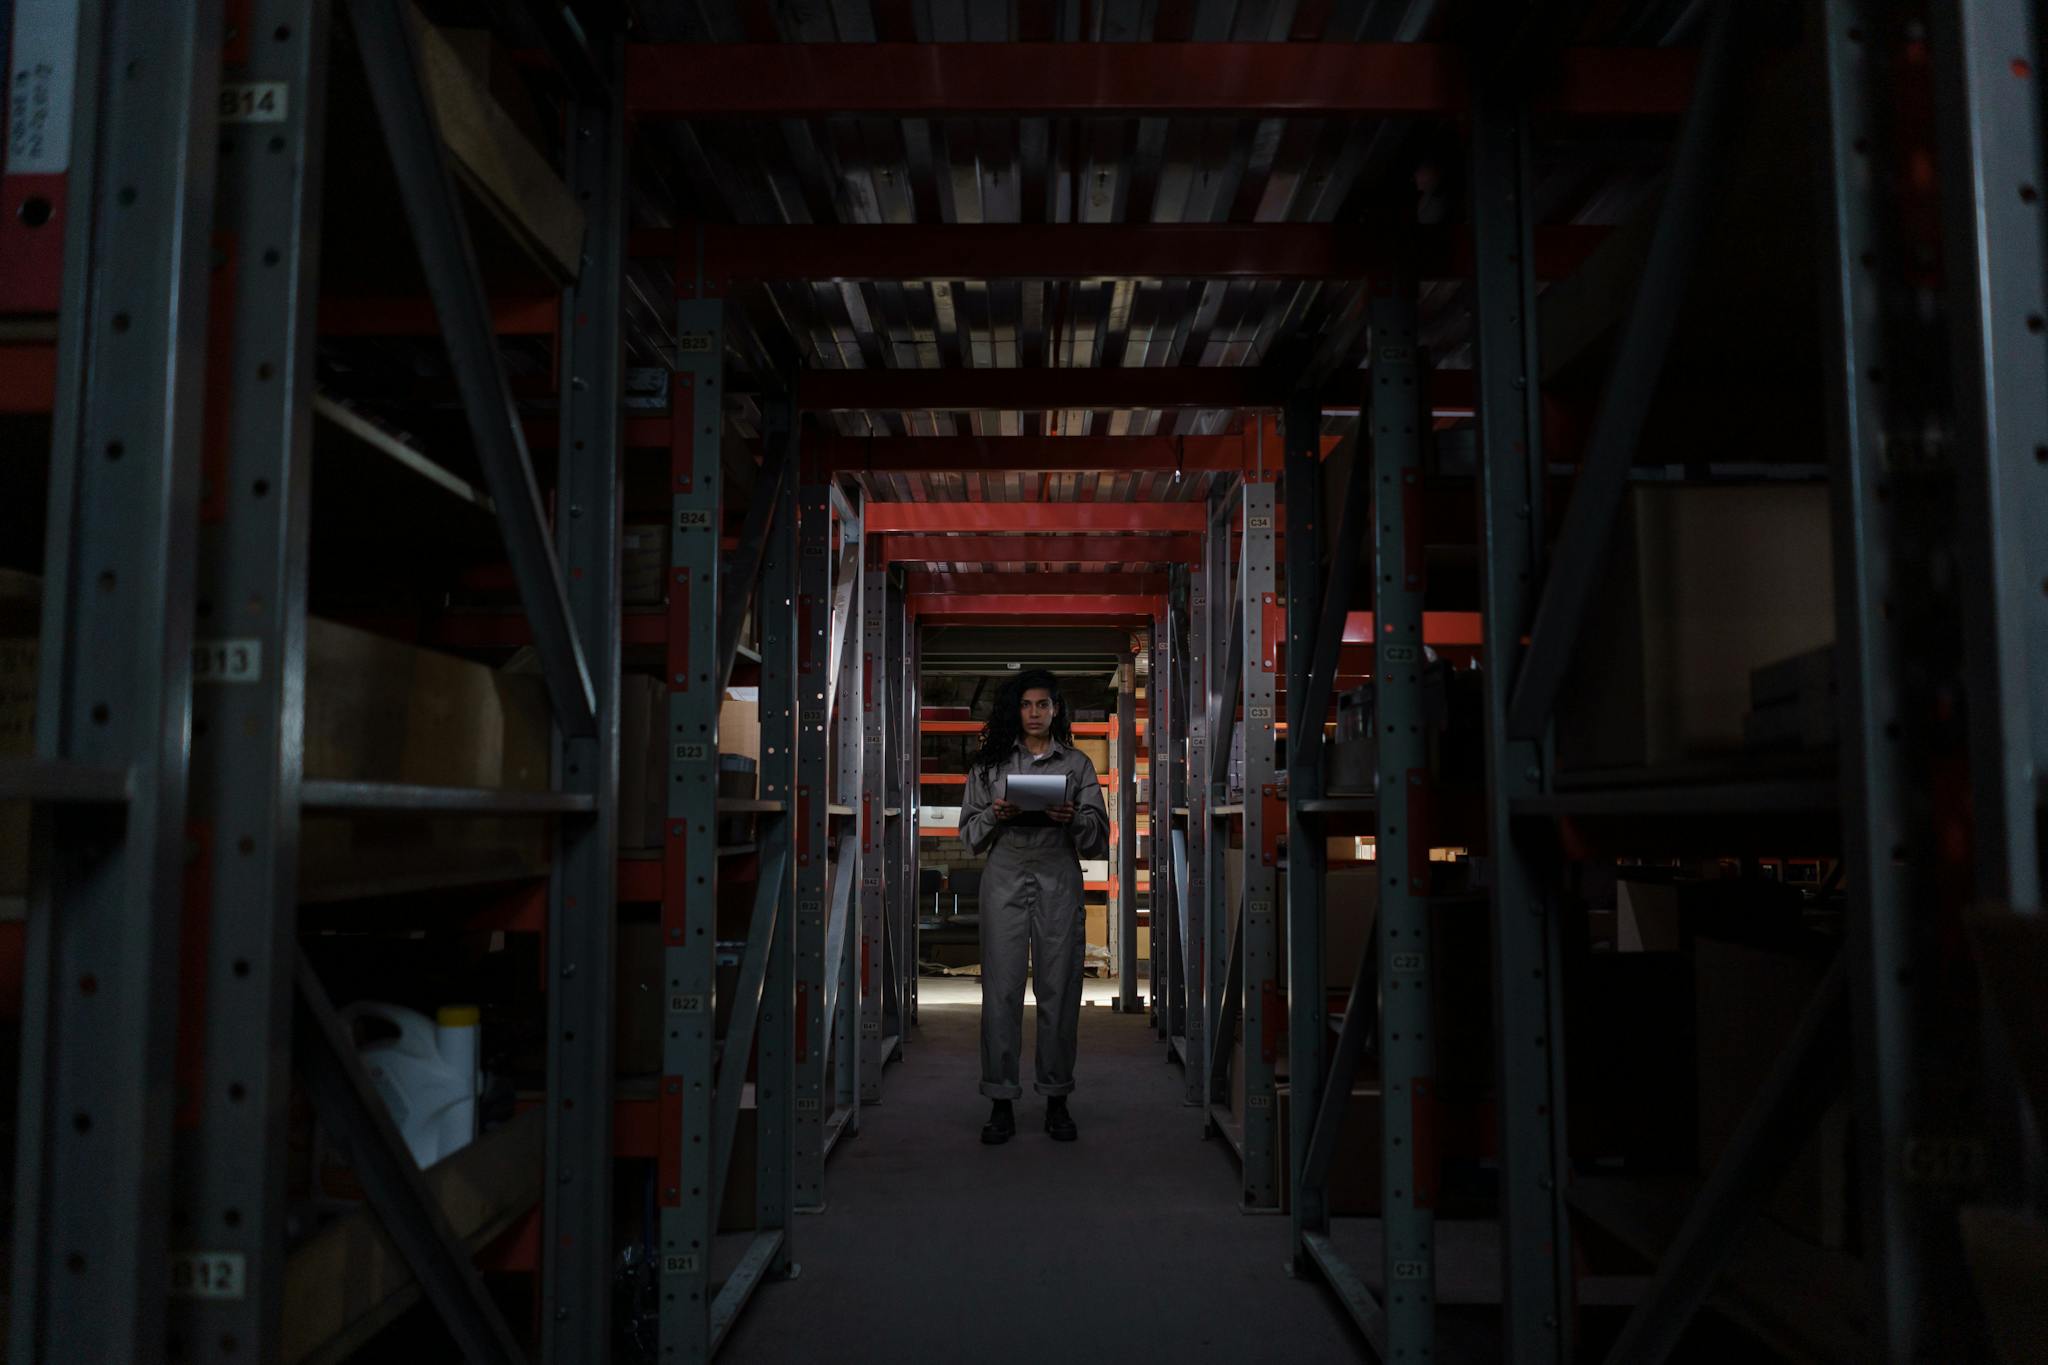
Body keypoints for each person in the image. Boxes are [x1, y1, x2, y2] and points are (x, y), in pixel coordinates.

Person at [957, 669, 1110, 1144]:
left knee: (1059, 990)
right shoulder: (988, 766)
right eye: (1026, 705)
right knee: (1001, 992)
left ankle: (1057, 1099)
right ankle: (1001, 1101)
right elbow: (967, 837)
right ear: (1015, 710)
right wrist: (994, 814)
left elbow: (1100, 839)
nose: (1035, 713)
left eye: (1043, 704)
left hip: (1058, 876)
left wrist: (1074, 818)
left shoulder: (1078, 765)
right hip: (1004, 873)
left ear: (1056, 709)